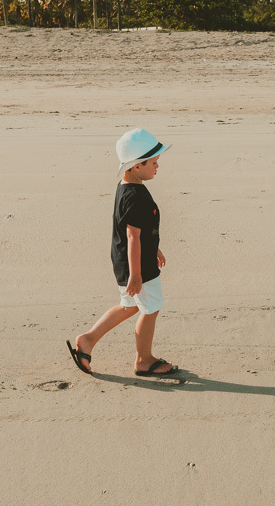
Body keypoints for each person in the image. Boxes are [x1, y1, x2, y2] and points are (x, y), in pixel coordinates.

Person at [67, 128, 176, 377]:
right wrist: (136, 275)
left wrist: (155, 246)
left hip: (125, 260)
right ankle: (144, 360)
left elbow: (136, 228)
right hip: (136, 264)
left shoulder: (126, 185)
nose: (158, 167)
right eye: (154, 162)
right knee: (151, 308)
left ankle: (88, 339)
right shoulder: (136, 196)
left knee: (129, 306)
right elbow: (132, 236)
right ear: (136, 166)